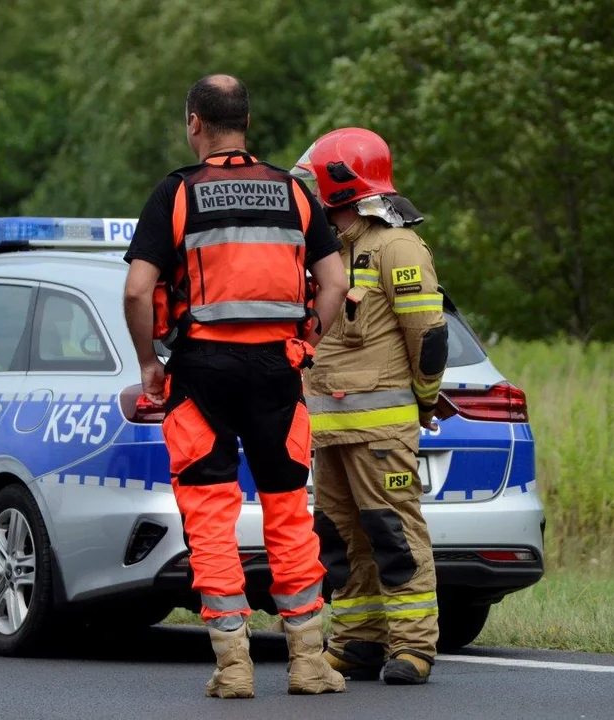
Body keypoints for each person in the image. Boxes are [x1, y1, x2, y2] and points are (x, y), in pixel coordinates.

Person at [122, 73, 349, 698]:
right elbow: (333, 281)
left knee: (211, 515)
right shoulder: (295, 193)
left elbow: (139, 290)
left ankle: (233, 667)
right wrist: (309, 344)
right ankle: (308, 662)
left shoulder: (176, 193)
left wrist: (149, 363)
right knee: (288, 511)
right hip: (278, 370)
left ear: (195, 121)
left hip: (201, 372)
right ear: (245, 121)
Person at [291, 127, 448, 685]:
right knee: (339, 538)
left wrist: (425, 401)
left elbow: (428, 335)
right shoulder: (331, 248)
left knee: (393, 534)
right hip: (330, 429)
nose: (307, 192)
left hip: (381, 430)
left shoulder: (396, 246)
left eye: (315, 182)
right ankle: (357, 641)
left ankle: (413, 647)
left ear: (339, 185)